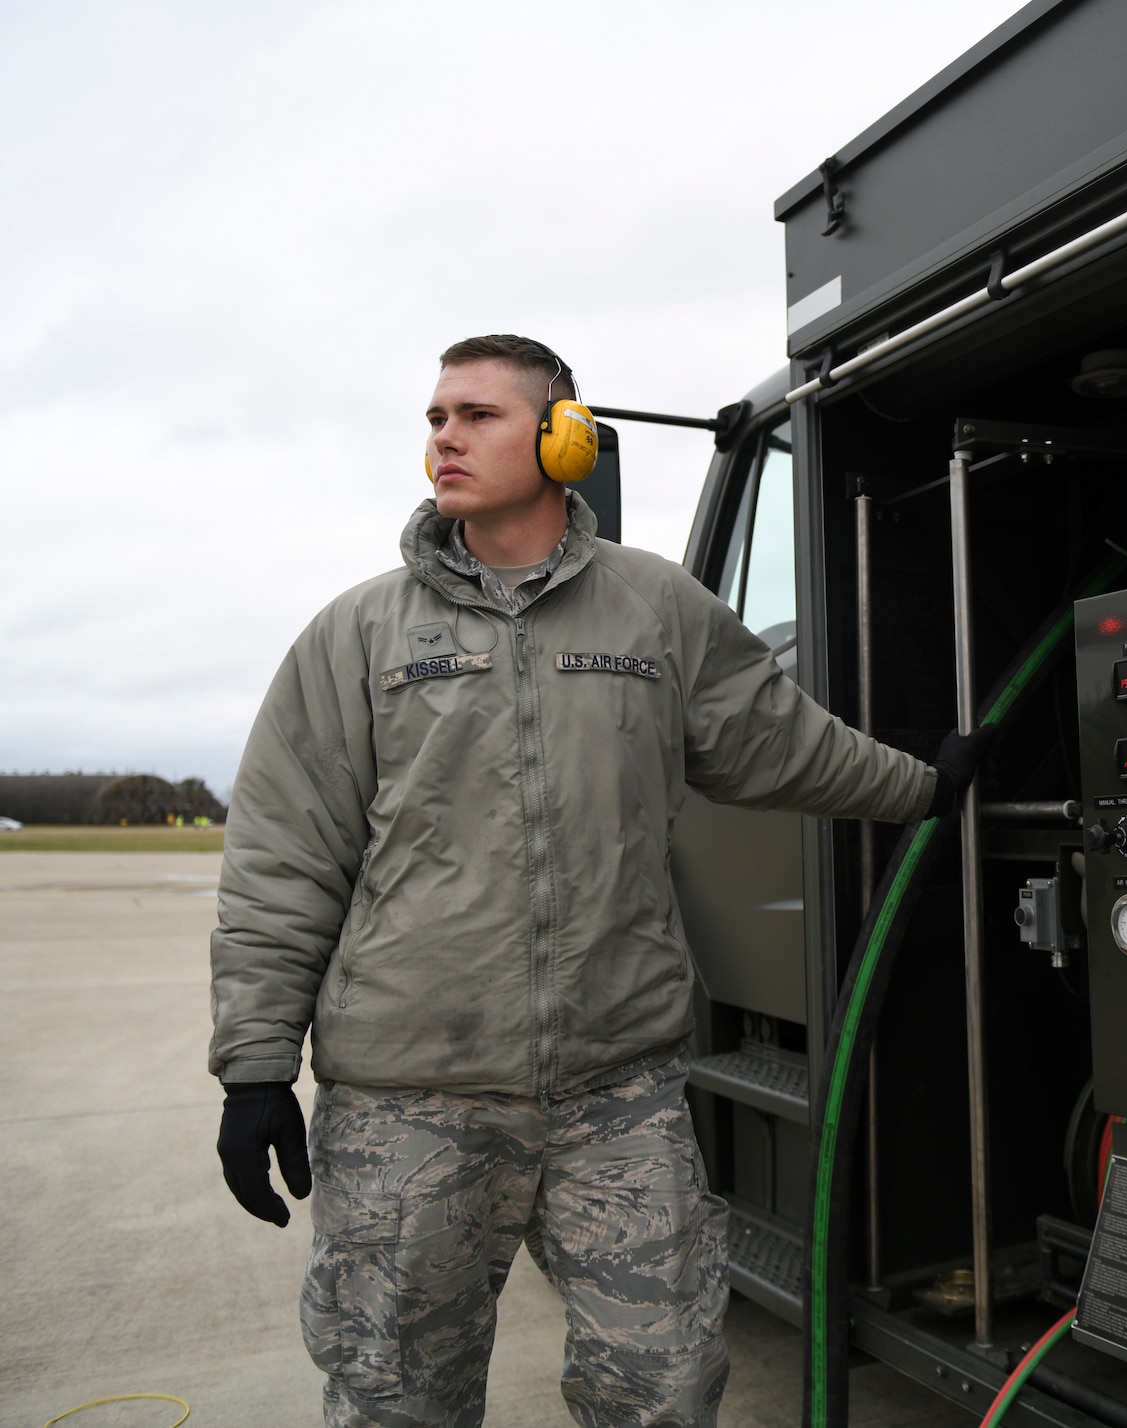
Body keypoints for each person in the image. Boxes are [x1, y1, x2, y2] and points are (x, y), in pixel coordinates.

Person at [209, 334, 989, 1427]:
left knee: (664, 1389)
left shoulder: (653, 611)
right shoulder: (362, 633)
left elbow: (778, 742)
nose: (444, 437)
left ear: (562, 435)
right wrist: (254, 1068)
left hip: (615, 1098)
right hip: (410, 1106)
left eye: (476, 414)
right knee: (396, 1400)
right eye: (435, 418)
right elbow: (282, 856)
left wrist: (919, 787)